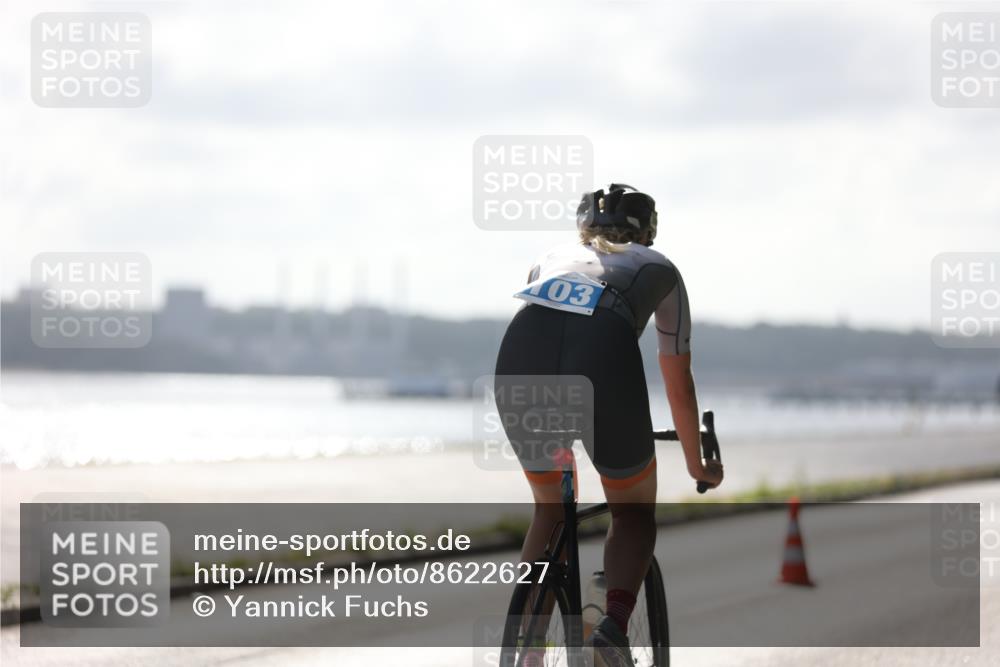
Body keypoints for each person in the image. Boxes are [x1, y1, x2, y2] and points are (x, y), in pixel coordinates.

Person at [494, 183, 724, 667]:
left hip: (520, 351)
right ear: (648, 233)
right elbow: (678, 384)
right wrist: (697, 464)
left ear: (583, 230)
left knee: (551, 510)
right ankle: (613, 628)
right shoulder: (659, 267)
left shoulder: (548, 258)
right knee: (633, 513)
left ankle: (528, 651)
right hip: (604, 354)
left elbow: (555, 331)